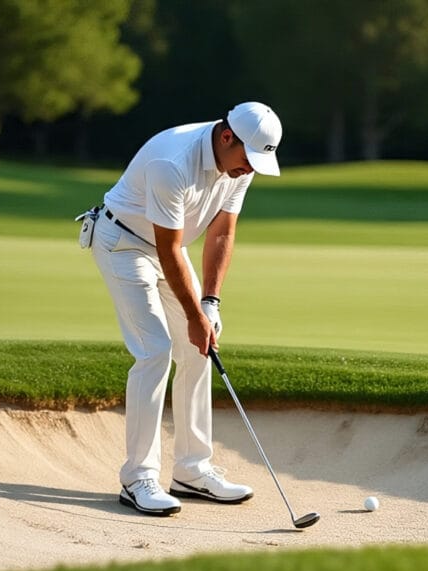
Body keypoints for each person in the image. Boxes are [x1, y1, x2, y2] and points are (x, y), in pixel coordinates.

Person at [84, 102, 282, 516]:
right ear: (227, 137)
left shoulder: (237, 166)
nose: (250, 170)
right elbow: (167, 248)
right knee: (154, 349)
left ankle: (192, 470)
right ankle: (137, 479)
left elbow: (222, 232)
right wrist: (194, 318)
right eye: (249, 160)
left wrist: (209, 304)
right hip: (123, 243)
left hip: (166, 248)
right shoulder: (172, 162)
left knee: (199, 348)